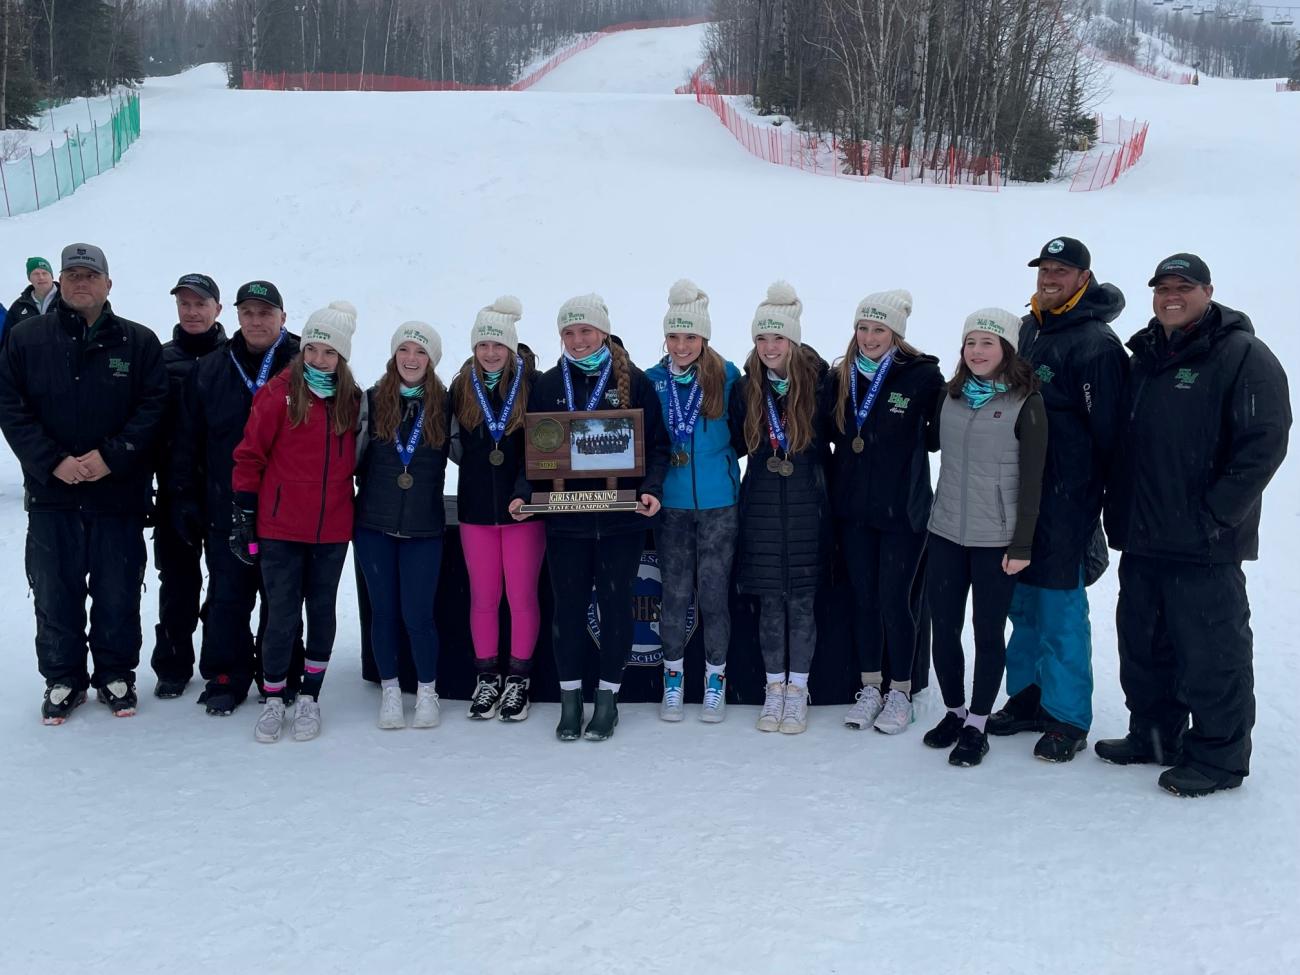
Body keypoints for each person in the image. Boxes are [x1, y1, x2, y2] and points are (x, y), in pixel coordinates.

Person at [1099, 253, 1291, 797]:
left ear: (1208, 291)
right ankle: (1155, 736)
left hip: (1204, 544)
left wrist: (1216, 515)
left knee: (1212, 654)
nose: (1171, 296)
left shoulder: (1242, 355)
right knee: (1144, 645)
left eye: (1184, 287)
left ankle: (1219, 758)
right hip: (1144, 536)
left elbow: (1264, 444)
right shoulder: (1145, 355)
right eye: (1162, 288)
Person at [0, 243, 167, 723]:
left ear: (108, 284)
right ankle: (63, 678)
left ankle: (115, 673)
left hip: (117, 494)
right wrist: (52, 461)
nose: (80, 282)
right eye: (71, 274)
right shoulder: (27, 339)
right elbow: (11, 408)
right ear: (58, 281)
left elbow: (152, 409)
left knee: (117, 589)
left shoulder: (138, 343)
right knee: (55, 589)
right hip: (53, 495)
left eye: (89, 275)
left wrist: (111, 458)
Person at [991, 237, 1129, 762]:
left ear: (1082, 278)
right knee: (1021, 603)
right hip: (1018, 493)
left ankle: (1067, 716)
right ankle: (1028, 697)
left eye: (1060, 270)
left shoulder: (1095, 345)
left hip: (1066, 501)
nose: (1049, 278)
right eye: (1044, 268)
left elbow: (1111, 435)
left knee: (1059, 608)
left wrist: (1094, 503)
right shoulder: (1029, 328)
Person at [509, 294, 668, 742]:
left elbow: (656, 446)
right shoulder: (546, 384)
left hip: (621, 518)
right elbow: (534, 453)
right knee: (569, 611)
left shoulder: (634, 381)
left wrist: (651, 489)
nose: (578, 340)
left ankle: (608, 701)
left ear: (603, 331)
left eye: (586, 331)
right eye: (569, 332)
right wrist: (524, 493)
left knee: (617, 608)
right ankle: (570, 700)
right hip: (567, 519)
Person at [922, 309, 1047, 767]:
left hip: (997, 539)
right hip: (946, 533)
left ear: (1006, 350)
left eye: (987, 343)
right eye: (970, 342)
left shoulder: (1025, 402)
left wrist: (1022, 545)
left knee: (987, 631)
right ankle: (954, 712)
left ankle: (978, 723)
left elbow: (1033, 479)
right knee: (945, 629)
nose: (976, 351)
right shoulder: (950, 396)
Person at [170, 281, 300, 716]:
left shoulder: (305, 362)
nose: (256, 322)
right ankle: (226, 674)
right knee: (228, 593)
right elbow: (186, 441)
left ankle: (280, 670)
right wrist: (184, 496)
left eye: (266, 313)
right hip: (226, 505)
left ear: (283, 317)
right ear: (236, 316)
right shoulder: (210, 368)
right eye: (249, 313)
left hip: (286, 509)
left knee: (280, 595)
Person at [232, 302, 361, 742]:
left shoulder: (351, 398)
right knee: (282, 614)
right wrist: (245, 514)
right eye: (313, 349)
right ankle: (272, 698)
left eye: (329, 352)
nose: (320, 359)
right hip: (281, 527)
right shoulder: (277, 393)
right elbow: (249, 457)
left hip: (332, 529)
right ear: (302, 350)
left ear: (341, 357)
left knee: (322, 610)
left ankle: (310, 695)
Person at [823, 290, 943, 734]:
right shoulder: (841, 376)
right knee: (865, 600)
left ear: (896, 333)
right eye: (863, 328)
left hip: (903, 514)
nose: (869, 337)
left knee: (896, 600)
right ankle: (870, 686)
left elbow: (936, 438)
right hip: (854, 510)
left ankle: (900, 691)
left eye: (879, 329)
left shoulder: (923, 376)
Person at [728, 281, 829, 735]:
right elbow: (732, 442)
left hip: (809, 504)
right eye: (762, 339)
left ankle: (798, 690)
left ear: (794, 340)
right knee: (771, 603)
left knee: (803, 602)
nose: (770, 347)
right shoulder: (745, 388)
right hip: (763, 505)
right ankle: (773, 688)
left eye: (778, 338)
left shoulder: (821, 382)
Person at [645, 280, 741, 723]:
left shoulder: (728, 375)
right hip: (672, 505)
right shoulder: (652, 381)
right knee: (676, 595)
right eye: (674, 337)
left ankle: (715, 678)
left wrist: (719, 466)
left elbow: (742, 434)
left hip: (721, 504)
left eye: (690, 337)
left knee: (715, 596)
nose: (681, 346)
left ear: (705, 338)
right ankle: (673, 678)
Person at [450, 296, 545, 723]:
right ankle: (487, 676)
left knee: (521, 597)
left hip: (523, 511)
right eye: (483, 345)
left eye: (498, 346)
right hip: (475, 512)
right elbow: (452, 445)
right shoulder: (459, 387)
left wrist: (526, 490)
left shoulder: (533, 385)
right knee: (484, 598)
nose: (490, 353)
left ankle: (519, 681)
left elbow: (544, 447)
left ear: (511, 348)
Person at [355, 320, 449, 730]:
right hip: (374, 524)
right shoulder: (372, 400)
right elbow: (353, 456)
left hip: (424, 528)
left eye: (420, 352)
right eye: (404, 350)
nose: (411, 359)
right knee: (384, 613)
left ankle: (427, 691)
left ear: (431, 360)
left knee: (418, 614)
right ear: (394, 355)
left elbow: (474, 452)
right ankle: (391, 690)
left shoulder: (446, 404)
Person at [150, 274, 229, 699]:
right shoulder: (159, 359)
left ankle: (219, 664)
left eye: (201, 304)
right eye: (185, 304)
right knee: (177, 584)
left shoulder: (236, 358)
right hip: (174, 493)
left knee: (224, 586)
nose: (192, 312)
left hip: (222, 494)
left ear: (217, 310)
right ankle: (173, 665)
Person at [2, 257, 60, 344]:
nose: (41, 277)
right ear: (29, 278)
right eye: (36, 274)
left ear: (51, 276)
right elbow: (7, 341)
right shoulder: (18, 306)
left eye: (45, 273)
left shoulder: (67, 299)